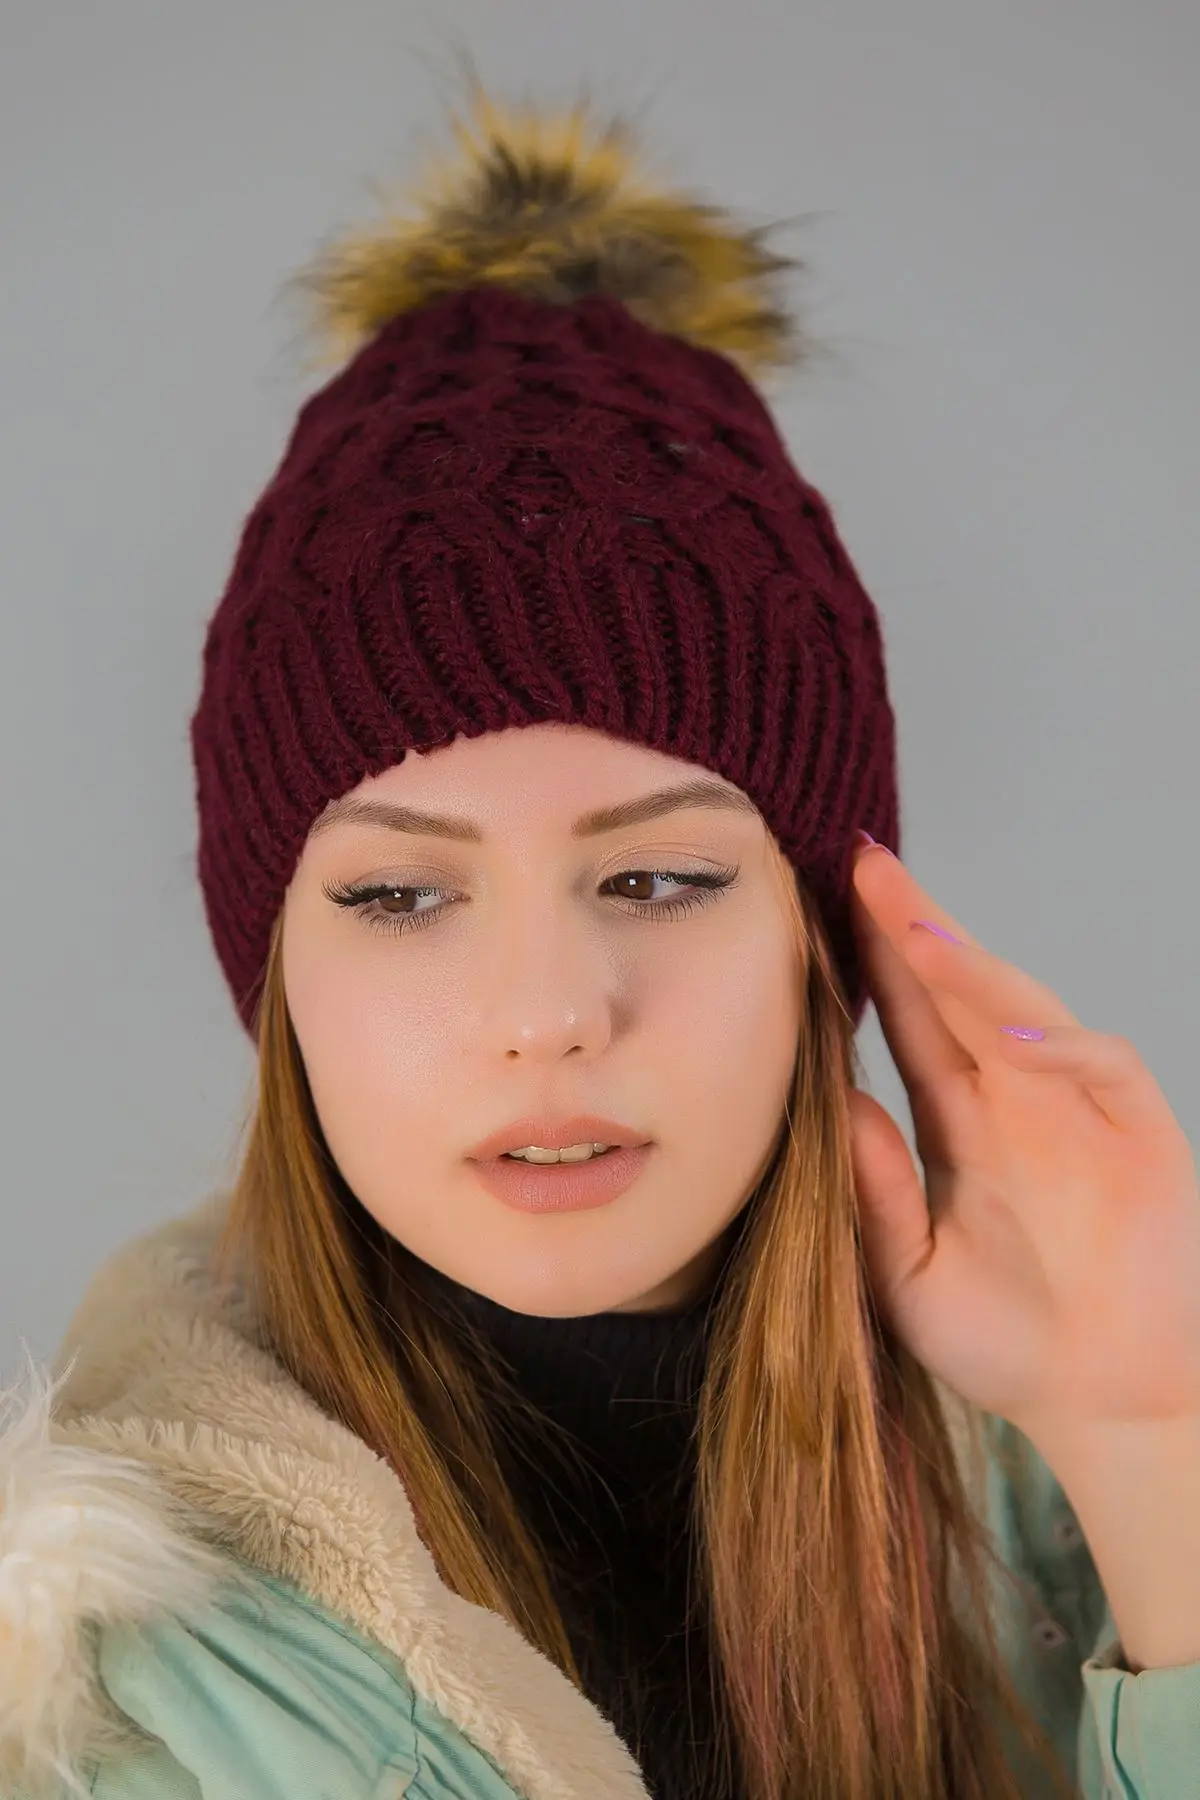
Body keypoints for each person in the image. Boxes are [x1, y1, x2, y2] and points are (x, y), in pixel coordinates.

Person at [1, 86, 1196, 1800]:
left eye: (656, 881)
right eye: (399, 896)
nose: (550, 1012)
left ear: (838, 939)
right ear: (277, 982)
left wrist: (1150, 1439)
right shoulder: (94, 1682)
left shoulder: (1068, 1504)